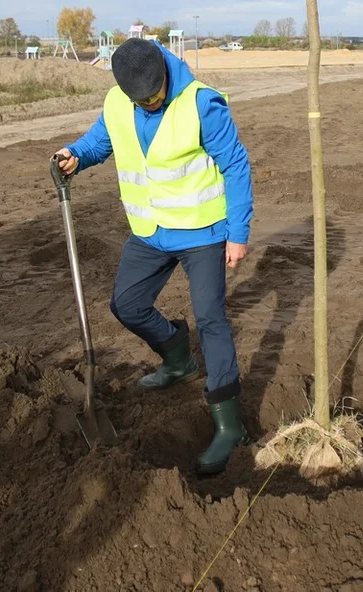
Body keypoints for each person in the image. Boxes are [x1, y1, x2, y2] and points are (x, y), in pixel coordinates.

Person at [53, 37, 253, 476]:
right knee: (126, 305)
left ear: (164, 69)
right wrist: (75, 157)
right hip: (150, 233)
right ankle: (179, 360)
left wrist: (237, 234)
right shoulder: (118, 102)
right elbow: (100, 141)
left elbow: (236, 165)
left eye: (156, 94)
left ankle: (228, 426)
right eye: (142, 99)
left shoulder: (201, 103)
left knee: (211, 317)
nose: (151, 102)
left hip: (202, 232)